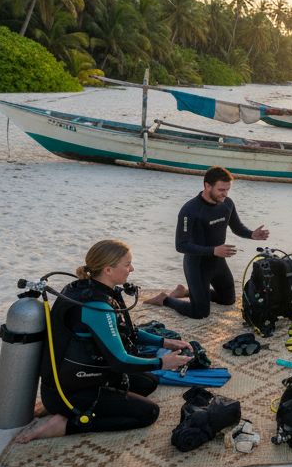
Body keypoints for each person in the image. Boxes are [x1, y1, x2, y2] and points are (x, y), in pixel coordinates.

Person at [16, 240, 192, 442]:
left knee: (148, 382)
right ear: (108, 269)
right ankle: (65, 424)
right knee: (148, 413)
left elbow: (127, 331)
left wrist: (164, 343)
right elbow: (121, 360)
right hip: (71, 390)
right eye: (127, 264)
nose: (131, 269)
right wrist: (163, 362)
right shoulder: (97, 307)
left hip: (70, 378)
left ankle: (54, 405)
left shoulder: (84, 288)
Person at [151, 166, 269, 319]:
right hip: (197, 264)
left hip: (218, 262)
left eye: (227, 190)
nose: (225, 194)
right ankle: (165, 299)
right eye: (221, 190)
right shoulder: (190, 210)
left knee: (228, 300)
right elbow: (181, 245)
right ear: (207, 186)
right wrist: (213, 250)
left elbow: (236, 227)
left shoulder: (227, 204)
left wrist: (251, 234)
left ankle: (185, 292)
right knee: (200, 312)